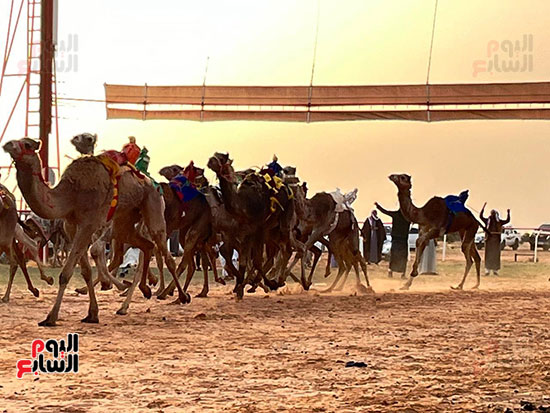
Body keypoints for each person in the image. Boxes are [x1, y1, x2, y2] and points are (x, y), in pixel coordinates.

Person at [375, 202, 410, 278]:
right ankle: (402, 274)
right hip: (402, 239)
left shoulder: (396, 215)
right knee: (403, 257)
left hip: (397, 239)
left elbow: (385, 211)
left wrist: (378, 206)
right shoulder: (408, 217)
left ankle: (391, 271)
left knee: (394, 256)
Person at [480, 203, 510, 275]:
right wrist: (483, 208)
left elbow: (507, 220)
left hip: (496, 241)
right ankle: (487, 270)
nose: (493, 215)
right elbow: (481, 216)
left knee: (496, 255)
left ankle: (495, 270)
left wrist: (508, 213)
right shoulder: (487, 221)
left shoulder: (499, 222)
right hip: (488, 240)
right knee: (488, 255)